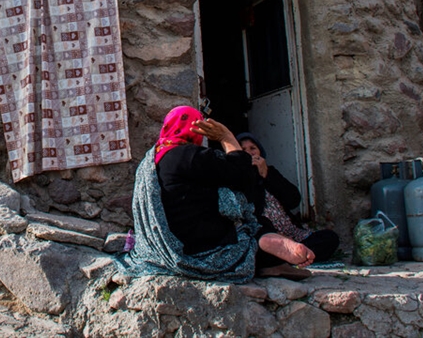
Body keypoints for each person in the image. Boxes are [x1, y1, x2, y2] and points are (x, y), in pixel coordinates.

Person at [120, 106, 319, 282]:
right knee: (250, 228)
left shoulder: (150, 163)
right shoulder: (191, 156)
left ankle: (268, 249)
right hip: (201, 247)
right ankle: (267, 245)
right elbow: (241, 173)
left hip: (164, 246)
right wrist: (227, 138)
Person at [237, 132, 340, 275]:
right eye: (243, 150)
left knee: (330, 237)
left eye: (252, 148)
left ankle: (293, 254)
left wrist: (266, 174)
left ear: (260, 151)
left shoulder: (270, 172)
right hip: (269, 236)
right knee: (258, 244)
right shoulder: (236, 180)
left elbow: (293, 200)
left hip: (294, 235)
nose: (249, 153)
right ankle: (286, 254)